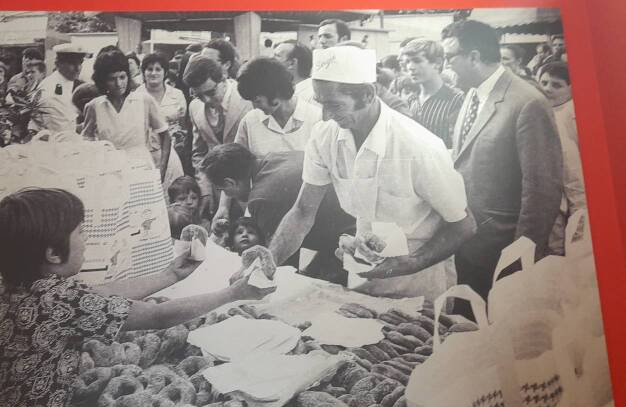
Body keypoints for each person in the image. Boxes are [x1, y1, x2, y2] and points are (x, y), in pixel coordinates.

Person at [0, 188, 272, 407]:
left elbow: (99, 295)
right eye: (81, 231)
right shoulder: (61, 301)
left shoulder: (19, 287)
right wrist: (233, 293)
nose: (86, 238)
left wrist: (170, 275)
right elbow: (157, 316)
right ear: (52, 253)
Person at [267, 45, 476, 301]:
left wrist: (411, 263)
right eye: (320, 103)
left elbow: (464, 225)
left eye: (334, 105)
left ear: (367, 94)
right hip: (363, 277)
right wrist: (268, 262)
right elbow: (302, 212)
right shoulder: (325, 137)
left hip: (418, 285)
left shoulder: (417, 146)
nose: (325, 116)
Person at [442, 19, 563, 305]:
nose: (445, 67)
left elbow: (542, 188)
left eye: (450, 59)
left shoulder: (527, 102)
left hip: (503, 249)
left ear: (473, 57)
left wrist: (523, 252)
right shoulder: (472, 94)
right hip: (469, 244)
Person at [201, 142, 355, 282]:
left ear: (230, 182)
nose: (227, 195)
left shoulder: (261, 199)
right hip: (349, 223)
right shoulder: (276, 157)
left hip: (349, 242)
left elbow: (281, 261)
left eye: (223, 190)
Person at [80, 48, 172, 179]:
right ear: (102, 81)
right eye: (112, 79)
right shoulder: (94, 106)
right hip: (108, 172)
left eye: (122, 77)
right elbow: (86, 143)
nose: (118, 84)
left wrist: (161, 169)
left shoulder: (144, 100)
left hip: (141, 170)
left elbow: (165, 136)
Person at [183, 56, 253, 220]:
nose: (206, 100)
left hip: (250, 191)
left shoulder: (247, 99)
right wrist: (205, 189)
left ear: (223, 79)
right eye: (199, 95)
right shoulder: (195, 107)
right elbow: (199, 152)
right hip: (216, 192)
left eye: (210, 92)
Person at [538, 61, 585, 255]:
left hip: (573, 192)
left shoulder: (572, 114)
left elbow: (573, 175)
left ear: (572, 88)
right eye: (544, 82)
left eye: (556, 85)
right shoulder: (545, 110)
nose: (548, 89)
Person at [401, 38, 465, 149]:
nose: (410, 67)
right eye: (407, 62)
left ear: (437, 63)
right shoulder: (411, 100)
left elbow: (459, 147)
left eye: (417, 61)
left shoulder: (456, 99)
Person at [135, 52, 187, 188]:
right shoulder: (135, 96)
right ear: (143, 72)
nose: (153, 73)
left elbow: (183, 125)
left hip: (171, 154)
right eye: (149, 69)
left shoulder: (177, 95)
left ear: (165, 72)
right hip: (144, 154)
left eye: (158, 69)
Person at [34, 43, 90, 134]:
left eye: (80, 62)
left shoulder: (65, 82)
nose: (78, 68)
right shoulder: (51, 89)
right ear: (58, 64)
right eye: (72, 63)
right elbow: (62, 133)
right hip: (56, 143)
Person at [273, 40, 316, 107]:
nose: (271, 60)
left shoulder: (312, 96)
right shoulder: (283, 91)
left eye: (277, 56)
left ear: (292, 63)